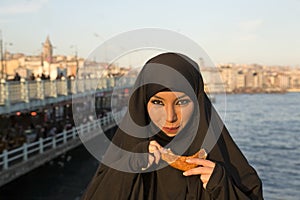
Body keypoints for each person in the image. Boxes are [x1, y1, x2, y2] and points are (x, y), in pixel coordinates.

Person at [82, 52, 263, 199]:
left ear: (198, 102)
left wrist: (221, 186)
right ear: (143, 102)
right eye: (158, 103)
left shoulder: (217, 159)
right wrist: (129, 167)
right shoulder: (130, 154)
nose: (170, 117)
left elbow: (250, 191)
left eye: (182, 102)